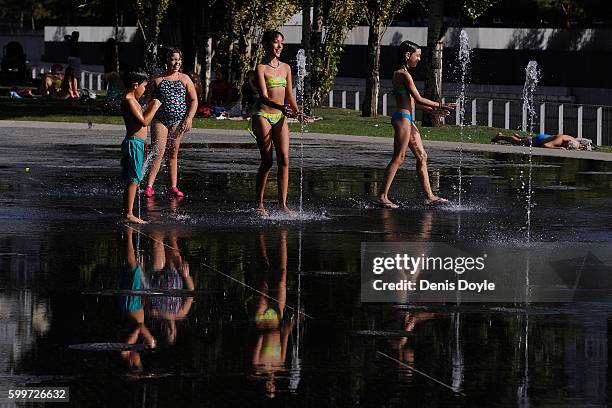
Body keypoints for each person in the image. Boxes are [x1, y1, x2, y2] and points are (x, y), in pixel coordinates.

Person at [376, 40, 455, 208]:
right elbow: (418, 98)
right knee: (399, 158)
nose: (419, 59)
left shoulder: (403, 73)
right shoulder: (402, 74)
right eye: (417, 56)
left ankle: (429, 196)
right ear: (407, 55)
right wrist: (440, 105)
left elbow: (413, 101)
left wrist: (431, 111)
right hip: (403, 119)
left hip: (408, 119)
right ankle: (382, 196)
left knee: (422, 156)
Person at [252, 31, 304, 215]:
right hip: (263, 116)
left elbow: (289, 96)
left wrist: (298, 113)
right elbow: (264, 98)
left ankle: (283, 204)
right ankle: (259, 203)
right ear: (266, 44)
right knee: (267, 161)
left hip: (281, 117)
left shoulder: (286, 68)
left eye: (282, 42)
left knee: (285, 159)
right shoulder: (261, 68)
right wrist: (281, 107)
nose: (280, 46)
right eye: (276, 42)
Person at [143, 47, 198, 198]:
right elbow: (147, 100)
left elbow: (194, 100)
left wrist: (189, 118)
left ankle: (173, 186)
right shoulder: (157, 79)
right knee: (158, 152)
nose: (176, 63)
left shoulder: (185, 79)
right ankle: (149, 186)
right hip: (160, 120)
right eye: (173, 59)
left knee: (173, 154)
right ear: (166, 61)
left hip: (178, 121)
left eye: (178, 60)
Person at [120, 67, 162, 224]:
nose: (144, 90)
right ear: (135, 85)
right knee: (133, 180)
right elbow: (144, 121)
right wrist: (154, 107)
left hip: (137, 144)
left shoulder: (133, 100)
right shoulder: (129, 100)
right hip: (133, 144)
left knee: (133, 179)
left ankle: (127, 211)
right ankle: (129, 213)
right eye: (144, 86)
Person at [491, 131, 591, 150]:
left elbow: (579, 143)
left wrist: (582, 147)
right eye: (566, 146)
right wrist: (558, 148)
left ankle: (519, 136)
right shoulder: (559, 142)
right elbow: (545, 146)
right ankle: (500, 136)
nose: (565, 147)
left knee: (526, 140)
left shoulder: (574, 141)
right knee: (519, 143)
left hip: (545, 136)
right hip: (541, 140)